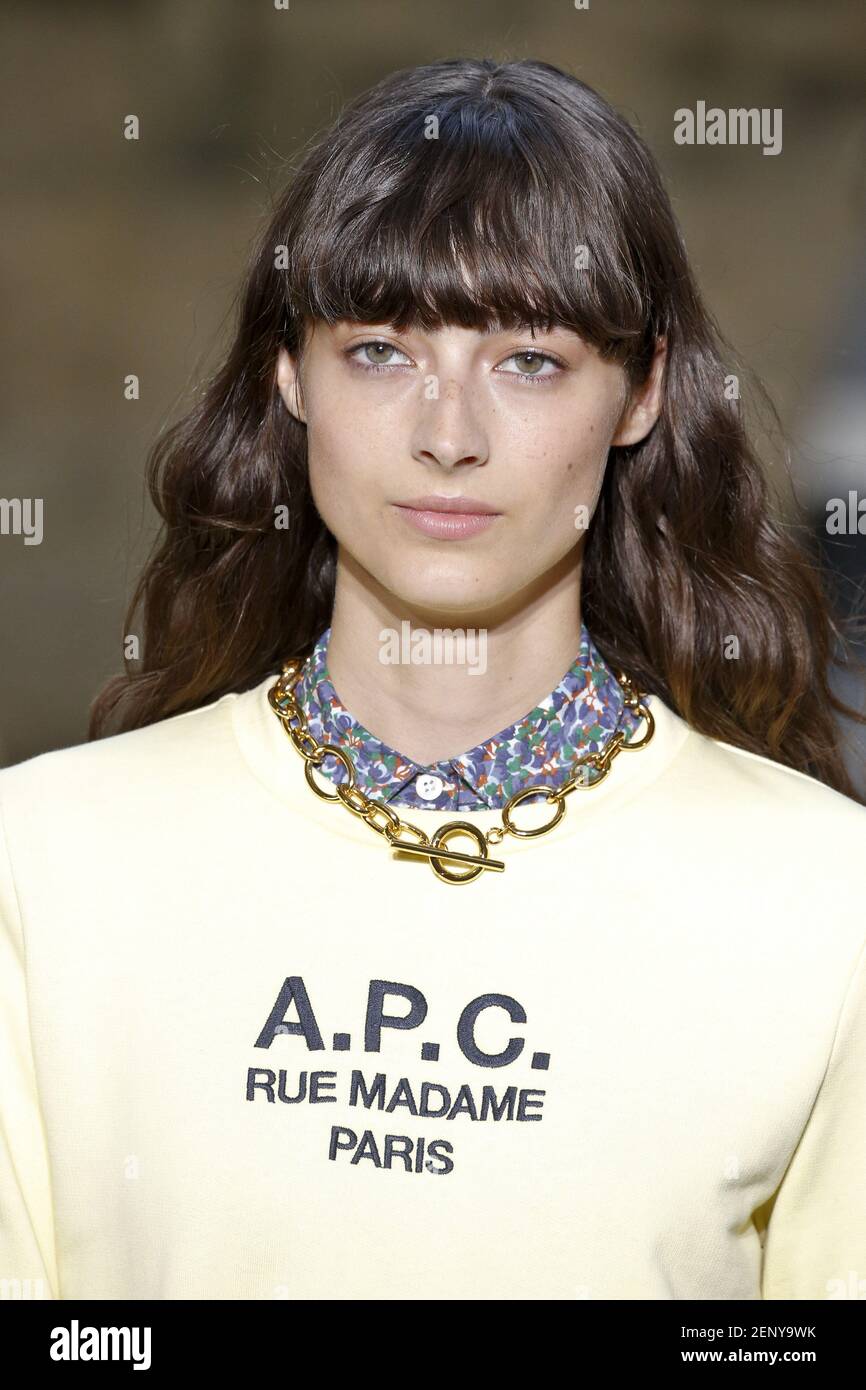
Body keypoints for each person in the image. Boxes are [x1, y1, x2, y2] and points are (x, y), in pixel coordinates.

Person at [2, 57, 865, 1302]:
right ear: (283, 374)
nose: (446, 433)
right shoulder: (43, 859)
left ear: (642, 392)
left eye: (529, 360)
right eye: (377, 350)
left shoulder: (827, 902)